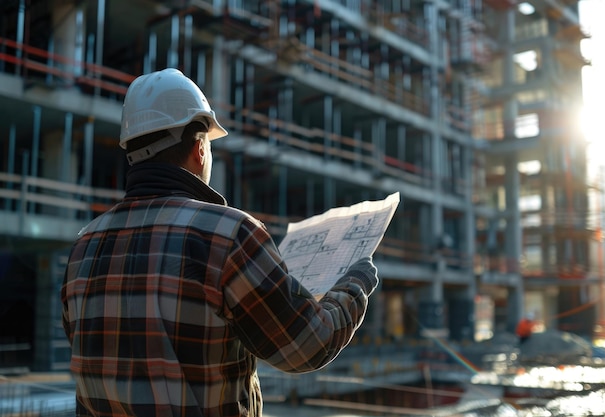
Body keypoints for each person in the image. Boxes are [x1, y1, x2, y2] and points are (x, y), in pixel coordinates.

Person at [61, 68, 379, 417]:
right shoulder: (227, 235)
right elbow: (307, 346)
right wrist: (354, 283)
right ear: (199, 148)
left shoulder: (83, 246)